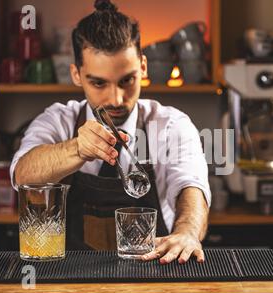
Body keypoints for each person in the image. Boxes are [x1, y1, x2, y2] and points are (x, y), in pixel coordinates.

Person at [11, 0, 211, 264]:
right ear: (76, 75)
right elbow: (22, 174)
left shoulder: (172, 125)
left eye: (127, 80)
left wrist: (187, 232)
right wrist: (77, 149)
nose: (116, 99)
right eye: (98, 83)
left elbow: (191, 187)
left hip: (151, 277)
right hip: (69, 279)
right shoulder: (58, 120)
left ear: (143, 67)